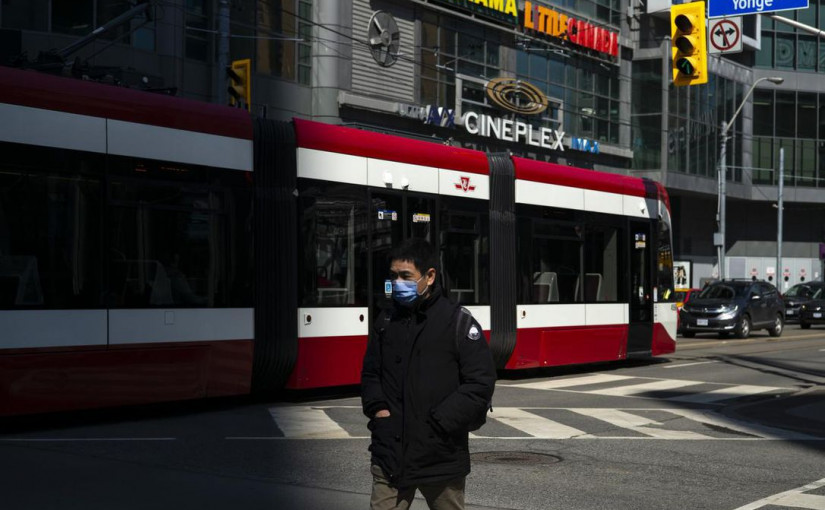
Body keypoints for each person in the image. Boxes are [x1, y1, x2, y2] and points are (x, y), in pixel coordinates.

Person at [361, 238, 497, 510]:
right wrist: (379, 410)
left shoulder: (457, 321)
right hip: (391, 454)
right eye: (393, 276)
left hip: (440, 454)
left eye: (406, 276)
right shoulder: (386, 320)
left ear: (430, 276)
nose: (397, 283)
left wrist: (439, 424)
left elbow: (480, 383)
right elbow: (371, 373)